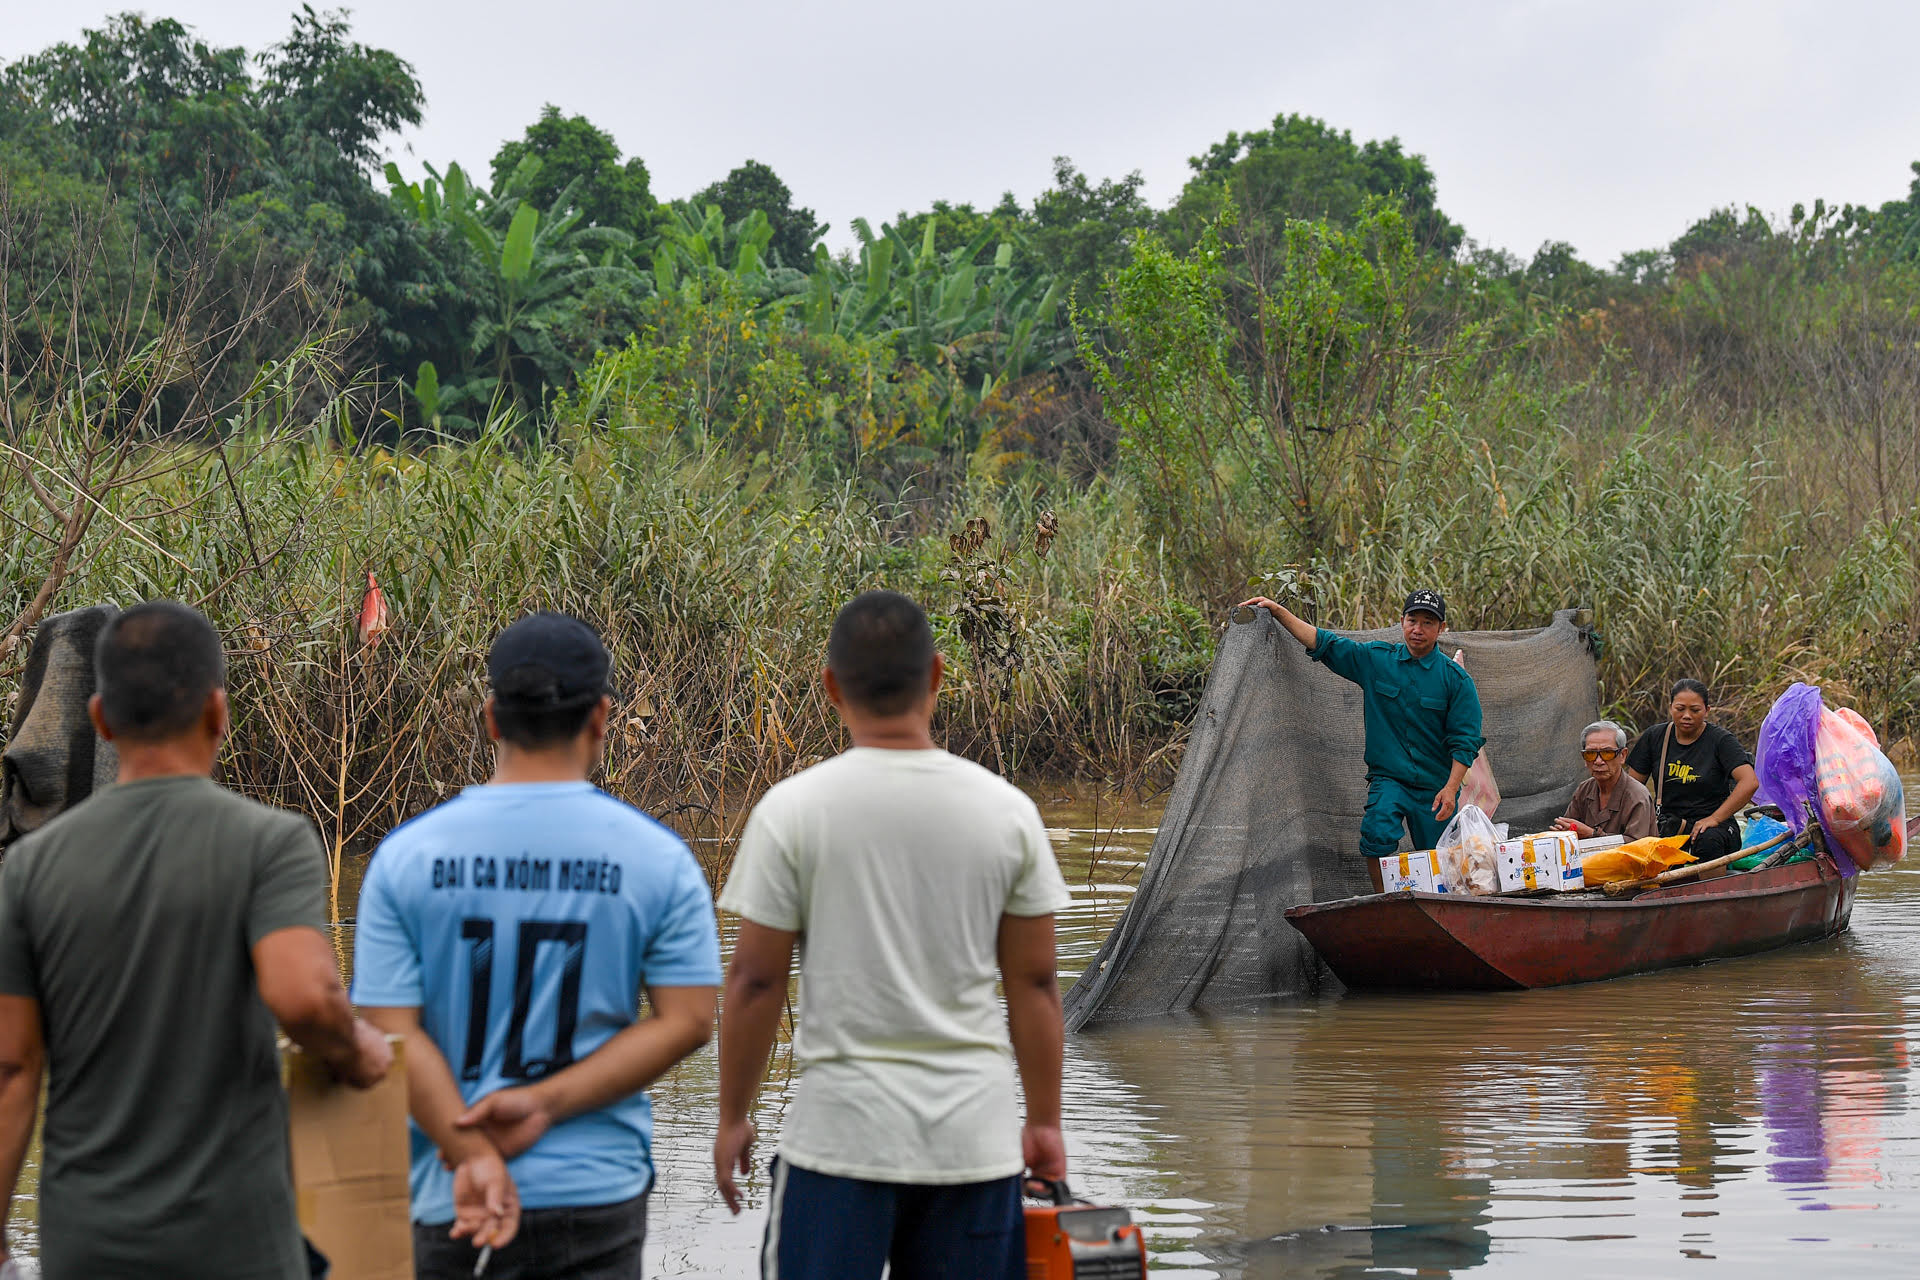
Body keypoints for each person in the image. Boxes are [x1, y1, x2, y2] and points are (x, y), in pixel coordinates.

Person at [0, 601, 393, 1279]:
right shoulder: (269, 843)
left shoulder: (29, 868)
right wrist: (358, 1049)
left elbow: (12, 1069)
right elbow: (301, 1000)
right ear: (219, 712)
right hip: (236, 1236)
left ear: (100, 719)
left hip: (87, 1239)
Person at [712, 589, 1071, 1280]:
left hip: (838, 1145)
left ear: (829, 687)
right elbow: (1034, 982)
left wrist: (734, 1116)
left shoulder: (792, 812)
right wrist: (1045, 1124)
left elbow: (756, 981)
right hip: (974, 1148)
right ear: (936, 675)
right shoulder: (1007, 813)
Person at [353, 612, 721, 1280]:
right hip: (594, 1189)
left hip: (451, 1192)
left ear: (491, 718)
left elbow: (388, 1029)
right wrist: (545, 1102)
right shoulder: (658, 860)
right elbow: (690, 1021)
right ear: (602, 718)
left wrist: (472, 1154)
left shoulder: (407, 858)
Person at [1239, 588, 1485, 890]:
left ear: (1441, 629)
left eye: (1428, 623)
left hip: (1435, 788)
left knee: (1441, 856)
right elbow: (1324, 643)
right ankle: (1382, 901)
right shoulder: (1376, 660)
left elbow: (1466, 740)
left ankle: (1445, 906)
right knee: (1376, 835)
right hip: (1390, 779)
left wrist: (1450, 789)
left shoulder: (1455, 680)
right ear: (1402, 621)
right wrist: (1278, 611)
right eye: (1412, 620)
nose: (1418, 630)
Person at [1624, 678, 1758, 863]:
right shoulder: (1655, 737)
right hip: (1669, 824)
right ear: (1670, 707)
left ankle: (1713, 890)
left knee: (1707, 841)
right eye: (1680, 709)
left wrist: (1715, 818)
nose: (1687, 715)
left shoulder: (1721, 741)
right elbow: (1631, 788)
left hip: (1714, 825)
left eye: (1695, 710)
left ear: (1707, 710)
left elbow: (1749, 782)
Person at [1552, 720, 1656, 841]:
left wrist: (1592, 834)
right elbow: (1567, 829)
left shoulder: (1637, 796)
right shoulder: (1584, 789)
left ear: (1622, 755)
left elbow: (1638, 848)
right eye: (1591, 754)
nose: (1598, 761)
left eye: (1607, 753)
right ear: (1584, 758)